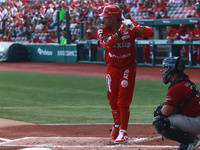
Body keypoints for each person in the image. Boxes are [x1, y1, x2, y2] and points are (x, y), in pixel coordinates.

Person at [97, 5, 154, 144]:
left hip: (128, 67)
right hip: (112, 67)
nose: (103, 19)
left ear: (113, 18)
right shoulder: (102, 29)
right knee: (112, 99)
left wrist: (133, 28)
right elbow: (106, 44)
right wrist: (121, 33)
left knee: (123, 100)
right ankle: (116, 125)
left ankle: (123, 131)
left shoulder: (129, 26)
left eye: (105, 17)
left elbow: (150, 32)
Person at [153, 56, 200, 150]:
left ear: (172, 69)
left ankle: (190, 141)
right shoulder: (185, 80)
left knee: (159, 121)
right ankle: (189, 140)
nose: (164, 71)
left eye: (166, 68)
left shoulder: (176, 87)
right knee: (171, 112)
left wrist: (159, 111)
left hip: (195, 122)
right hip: (196, 119)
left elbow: (165, 112)